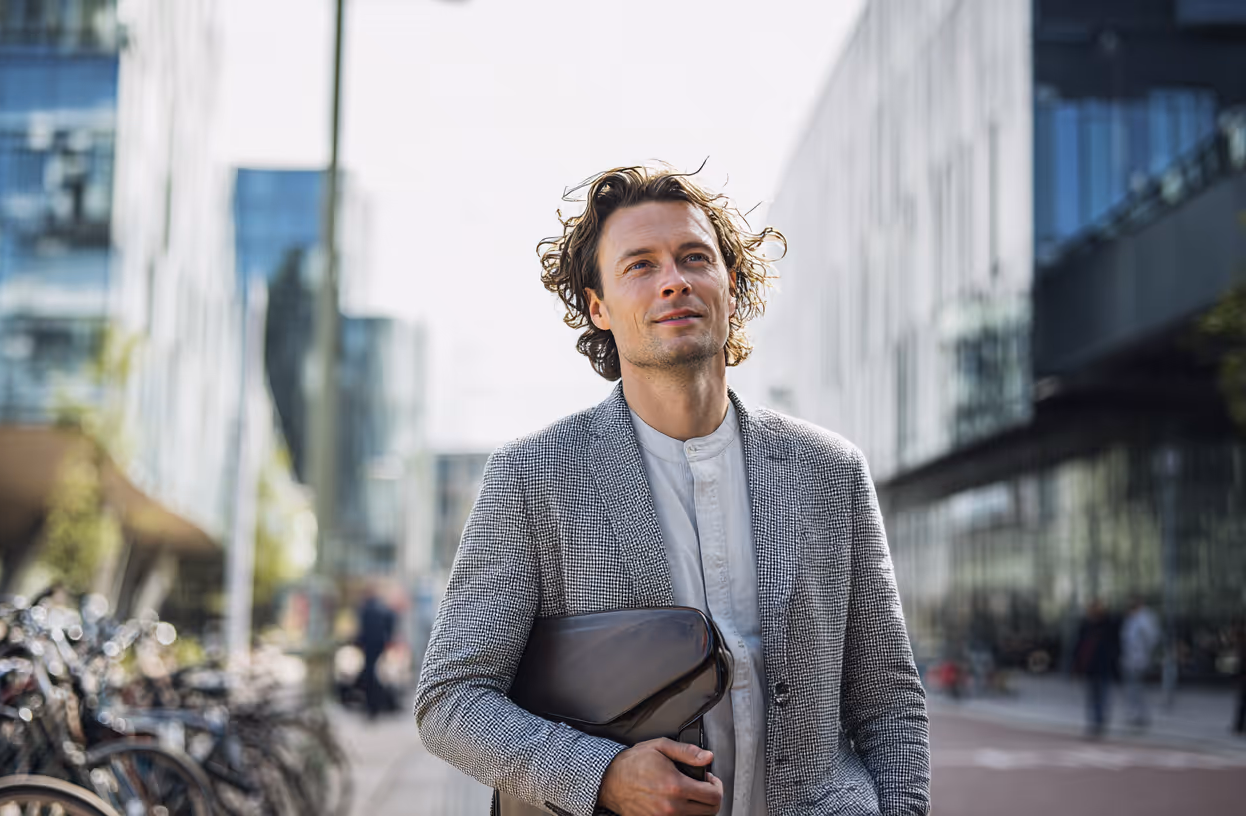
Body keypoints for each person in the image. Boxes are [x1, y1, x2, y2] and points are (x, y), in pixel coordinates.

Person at [415, 165, 930, 816]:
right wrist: (602, 776)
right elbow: (452, 696)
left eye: (694, 258)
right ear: (598, 306)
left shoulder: (831, 471)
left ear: (731, 285)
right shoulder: (532, 477)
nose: (674, 280)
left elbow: (888, 698)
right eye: (639, 265)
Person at [1072, 599, 1120, 738]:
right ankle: (1093, 723)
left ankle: (1100, 722)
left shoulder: (1109, 624)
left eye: (1096, 609)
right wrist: (1077, 665)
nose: (1092, 611)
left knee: (1103, 695)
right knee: (1091, 696)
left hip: (1104, 666)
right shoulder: (1085, 625)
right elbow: (1079, 646)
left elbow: (1115, 644)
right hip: (1089, 667)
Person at [355, 586, 397, 720]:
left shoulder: (366, 608)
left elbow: (362, 630)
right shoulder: (381, 607)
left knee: (370, 675)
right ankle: (376, 706)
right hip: (378, 645)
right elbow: (391, 620)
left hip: (370, 647)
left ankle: (373, 707)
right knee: (374, 674)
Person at [1118, 597, 1160, 728]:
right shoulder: (1131, 619)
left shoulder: (1145, 619)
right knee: (1132, 688)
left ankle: (1140, 714)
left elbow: (1151, 638)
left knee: (1137, 688)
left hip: (1139, 659)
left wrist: (1144, 653)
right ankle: (1135, 713)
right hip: (1130, 658)